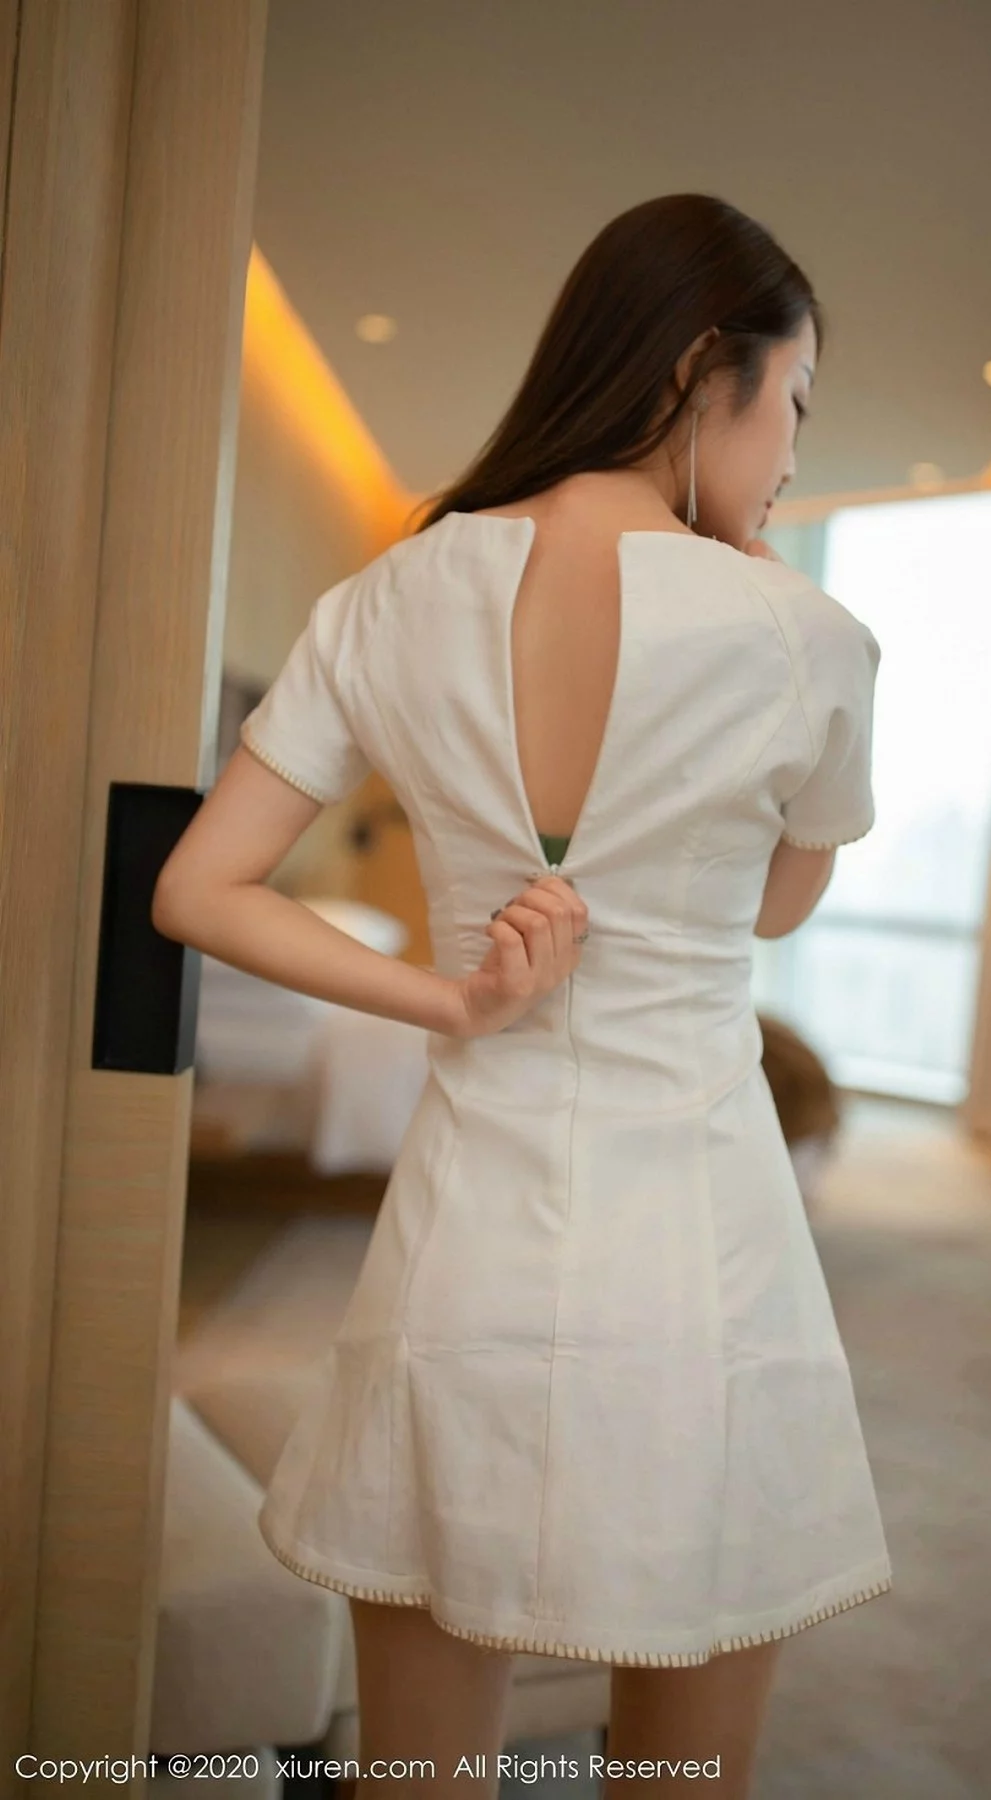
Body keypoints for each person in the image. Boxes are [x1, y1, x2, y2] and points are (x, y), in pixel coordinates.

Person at [154, 192, 891, 1799]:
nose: (792, 456)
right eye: (794, 403)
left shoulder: (392, 595)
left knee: (415, 1776)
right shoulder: (812, 637)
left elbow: (196, 890)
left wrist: (451, 1002)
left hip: (466, 1240)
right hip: (702, 1251)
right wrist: (754, 573)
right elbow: (772, 909)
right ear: (706, 371)